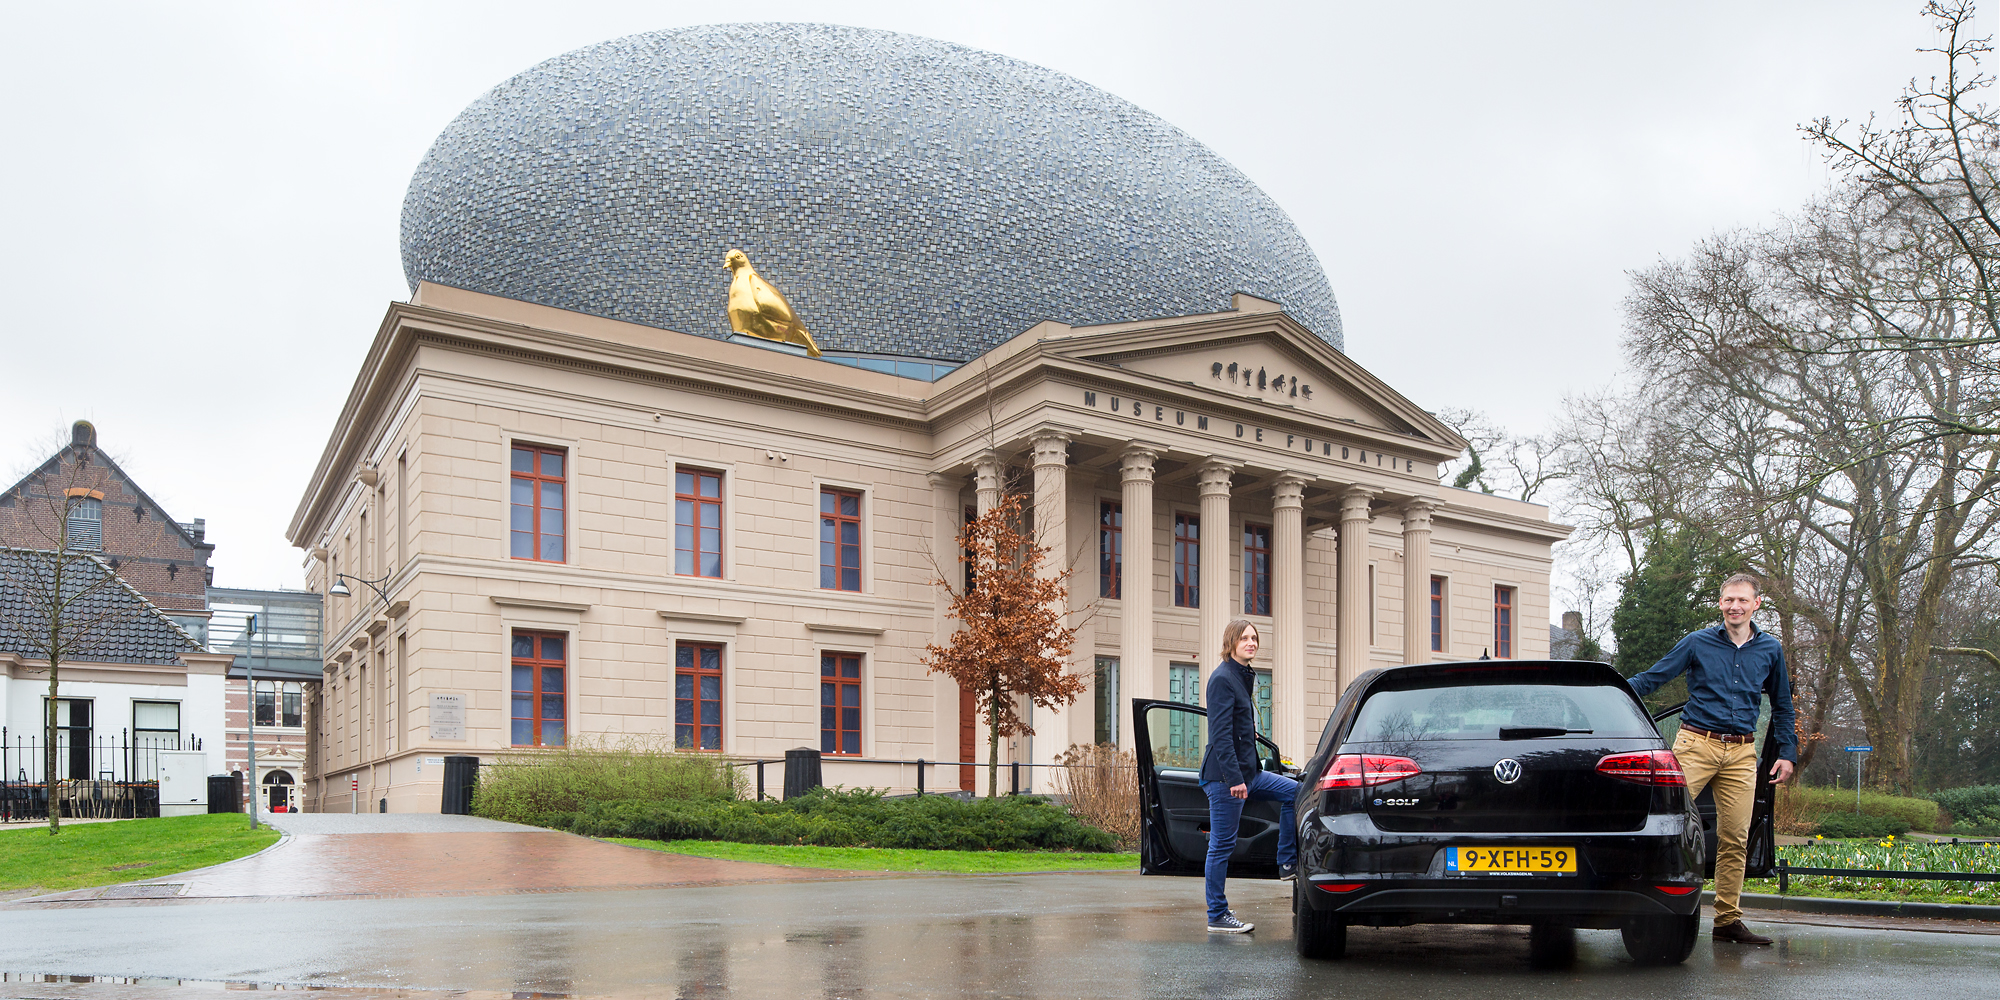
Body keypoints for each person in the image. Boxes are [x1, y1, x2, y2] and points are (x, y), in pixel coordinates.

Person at [1627, 573, 1796, 946]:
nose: (1734, 606)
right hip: (1696, 745)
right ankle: (1639, 907)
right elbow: (1650, 679)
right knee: (1659, 824)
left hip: (1741, 753)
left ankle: (1727, 921)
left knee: (1735, 838)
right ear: (1720, 604)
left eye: (1742, 600)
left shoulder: (1770, 650)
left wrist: (1787, 754)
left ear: (1756, 603)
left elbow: (1783, 706)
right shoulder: (1697, 642)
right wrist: (1609, 696)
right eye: (1728, 600)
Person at [1196, 619, 1299, 933]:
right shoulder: (1222, 679)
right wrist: (1235, 779)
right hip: (1227, 778)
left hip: (1249, 774)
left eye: (1254, 637)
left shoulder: (1243, 676)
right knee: (1221, 846)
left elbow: (1242, 732)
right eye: (1245, 638)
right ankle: (1217, 915)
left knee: (1296, 791)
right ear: (1232, 642)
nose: (1251, 642)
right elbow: (1221, 736)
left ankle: (1286, 861)